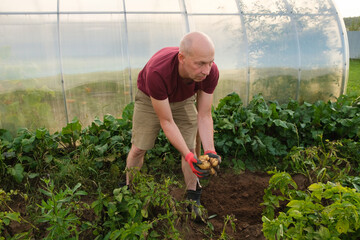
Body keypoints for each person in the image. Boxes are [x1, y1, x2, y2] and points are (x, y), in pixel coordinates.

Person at [125, 31, 221, 220]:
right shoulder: (157, 71)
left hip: (184, 99)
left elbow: (204, 114)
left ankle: (193, 199)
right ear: (182, 58)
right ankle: (130, 191)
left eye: (210, 62)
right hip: (150, 98)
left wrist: (210, 150)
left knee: (191, 151)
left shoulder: (210, 72)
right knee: (138, 148)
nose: (207, 70)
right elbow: (166, 121)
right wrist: (186, 154)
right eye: (200, 63)